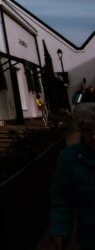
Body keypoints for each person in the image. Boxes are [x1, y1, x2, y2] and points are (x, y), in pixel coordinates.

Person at [50, 102, 95, 249]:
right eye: (88, 130)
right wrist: (60, 230)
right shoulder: (70, 158)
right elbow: (62, 198)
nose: (94, 137)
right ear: (81, 129)